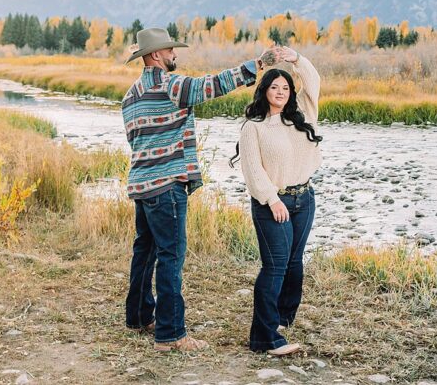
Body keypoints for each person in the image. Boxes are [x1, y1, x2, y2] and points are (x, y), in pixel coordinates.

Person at [122, 26, 267, 352]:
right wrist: (253, 67)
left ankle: (139, 316)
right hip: (167, 185)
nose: (175, 55)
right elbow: (211, 85)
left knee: (144, 252)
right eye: (171, 50)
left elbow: (135, 141)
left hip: (141, 185)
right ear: (156, 54)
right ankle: (171, 335)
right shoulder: (171, 85)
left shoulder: (130, 96)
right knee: (171, 257)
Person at [233, 45, 323, 356]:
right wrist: (272, 200)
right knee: (274, 267)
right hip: (273, 203)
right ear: (265, 91)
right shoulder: (253, 128)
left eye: (286, 88)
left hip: (304, 199)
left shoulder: (303, 117)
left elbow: (313, 81)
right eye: (275, 87)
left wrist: (296, 59)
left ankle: (283, 318)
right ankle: (264, 338)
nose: (281, 92)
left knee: (294, 264)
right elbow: (253, 171)